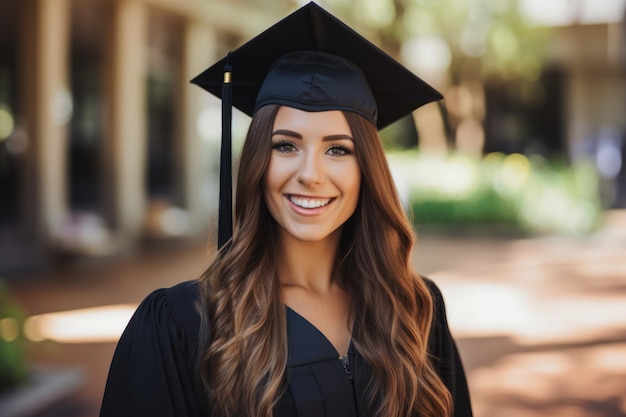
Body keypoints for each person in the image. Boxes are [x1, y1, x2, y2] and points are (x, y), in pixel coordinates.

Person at [100, 2, 473, 417]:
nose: (310, 174)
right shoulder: (186, 325)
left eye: (338, 149)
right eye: (286, 145)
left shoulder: (413, 311)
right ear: (258, 160)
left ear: (367, 169)